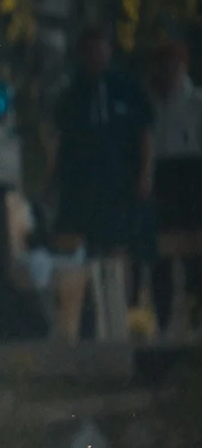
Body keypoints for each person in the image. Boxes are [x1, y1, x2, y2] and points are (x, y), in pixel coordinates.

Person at [48, 25, 155, 341]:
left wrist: (145, 173)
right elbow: (60, 142)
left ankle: (122, 317)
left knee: (120, 251)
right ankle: (87, 323)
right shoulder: (72, 95)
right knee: (85, 253)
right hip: (83, 188)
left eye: (100, 49)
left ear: (109, 51)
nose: (95, 57)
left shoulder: (126, 88)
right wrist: (53, 183)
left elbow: (145, 135)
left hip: (119, 184)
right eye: (89, 51)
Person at [147, 40, 202, 334]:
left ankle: (195, 317)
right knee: (161, 256)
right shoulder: (150, 104)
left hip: (191, 181)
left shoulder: (196, 104)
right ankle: (163, 319)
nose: (168, 72)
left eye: (174, 66)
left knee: (194, 255)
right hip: (162, 181)